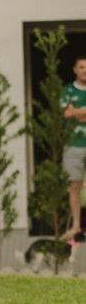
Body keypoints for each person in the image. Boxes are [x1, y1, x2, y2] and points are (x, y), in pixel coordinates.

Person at [61, 55, 86, 243]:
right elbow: (67, 113)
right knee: (74, 186)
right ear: (75, 70)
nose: (85, 70)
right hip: (73, 144)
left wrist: (77, 111)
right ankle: (76, 224)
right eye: (82, 67)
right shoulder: (67, 90)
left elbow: (73, 112)